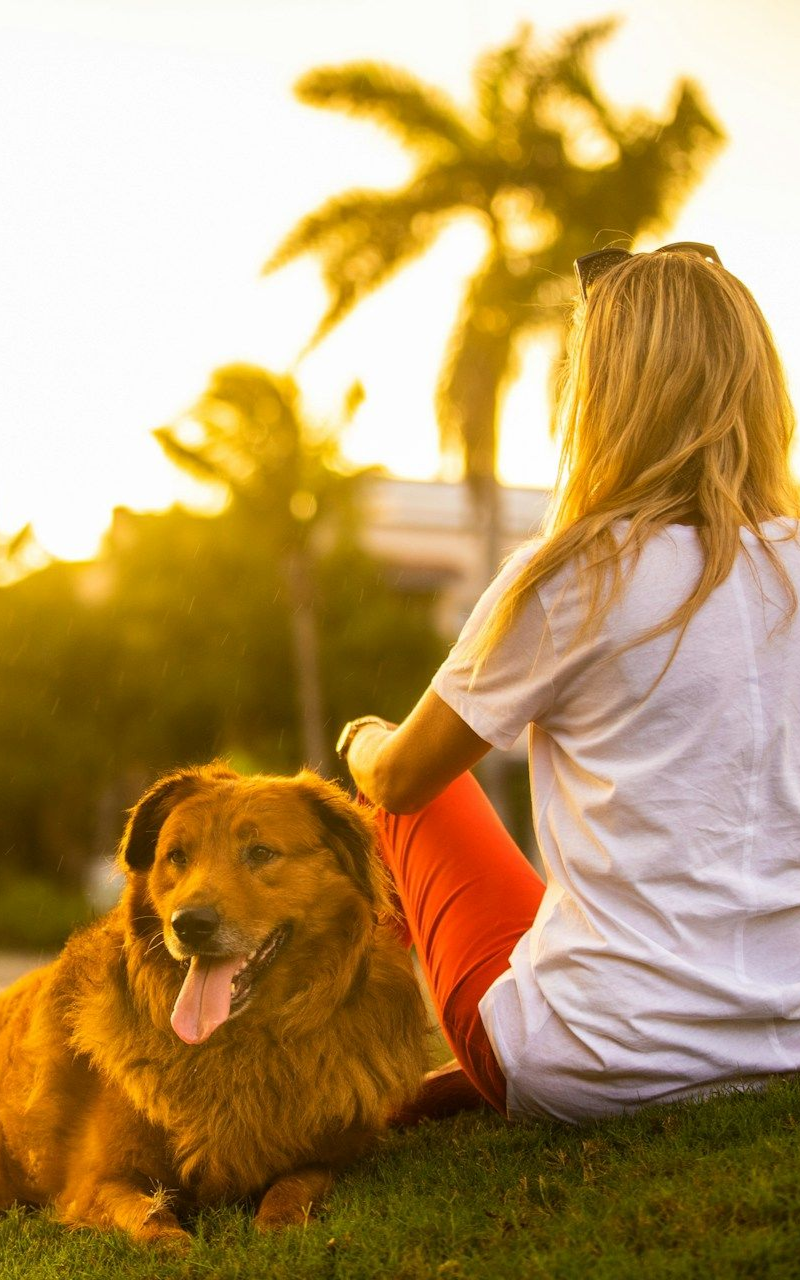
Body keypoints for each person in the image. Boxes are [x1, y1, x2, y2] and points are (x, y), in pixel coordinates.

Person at [335, 242, 800, 1124]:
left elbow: (402, 781)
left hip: (595, 1068)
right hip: (787, 1047)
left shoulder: (576, 574)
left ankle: (352, 1071)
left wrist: (361, 741)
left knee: (405, 794)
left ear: (606, 395)